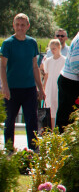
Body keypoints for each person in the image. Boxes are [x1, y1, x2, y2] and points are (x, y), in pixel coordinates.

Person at [2, 13, 42, 149]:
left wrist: (40, 88)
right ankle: (8, 150)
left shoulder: (32, 43)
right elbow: (2, 66)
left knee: (32, 120)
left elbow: (35, 66)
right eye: (17, 24)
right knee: (10, 120)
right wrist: (4, 87)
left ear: (28, 26)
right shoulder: (8, 44)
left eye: (23, 25)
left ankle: (33, 150)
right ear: (13, 25)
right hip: (12, 88)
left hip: (29, 88)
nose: (20, 27)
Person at [40, 38, 64, 130]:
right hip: (50, 86)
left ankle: (57, 129)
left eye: (54, 48)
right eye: (51, 49)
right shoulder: (48, 61)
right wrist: (43, 88)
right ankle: (51, 129)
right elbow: (46, 75)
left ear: (59, 47)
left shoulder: (64, 60)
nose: (52, 50)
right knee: (50, 108)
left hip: (58, 86)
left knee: (57, 107)